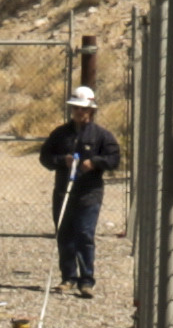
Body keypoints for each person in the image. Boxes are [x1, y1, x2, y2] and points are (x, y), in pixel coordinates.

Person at [36, 83, 123, 296]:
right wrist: (62, 161)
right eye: (76, 108)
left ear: (91, 110)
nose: (79, 112)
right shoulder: (60, 134)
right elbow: (45, 157)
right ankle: (68, 277)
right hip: (63, 192)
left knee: (84, 234)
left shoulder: (102, 135)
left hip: (89, 193)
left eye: (83, 109)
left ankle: (87, 280)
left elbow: (114, 159)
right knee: (64, 234)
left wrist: (94, 163)